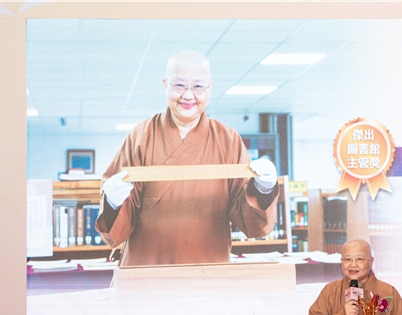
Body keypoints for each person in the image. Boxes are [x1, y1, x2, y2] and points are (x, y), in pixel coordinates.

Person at [96, 49, 279, 266]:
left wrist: (263, 190)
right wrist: (113, 202)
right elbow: (116, 230)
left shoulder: (228, 140)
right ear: (165, 84)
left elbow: (252, 225)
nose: (188, 95)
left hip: (208, 269)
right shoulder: (141, 136)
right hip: (146, 269)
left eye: (198, 87)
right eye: (180, 85)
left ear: (210, 88)